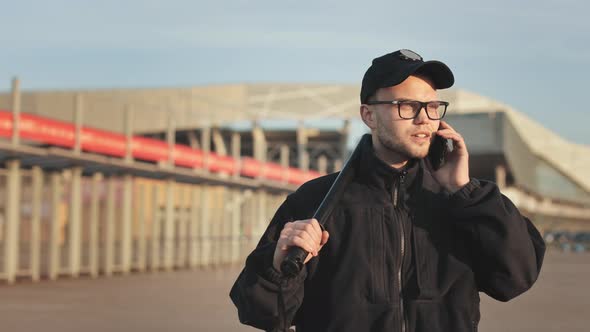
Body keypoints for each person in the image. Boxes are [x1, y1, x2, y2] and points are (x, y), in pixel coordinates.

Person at [230, 49, 545, 332]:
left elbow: (515, 279)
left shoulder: (465, 202)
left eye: (433, 106)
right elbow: (262, 314)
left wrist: (465, 192)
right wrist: (279, 267)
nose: (424, 118)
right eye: (407, 105)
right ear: (368, 115)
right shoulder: (317, 202)